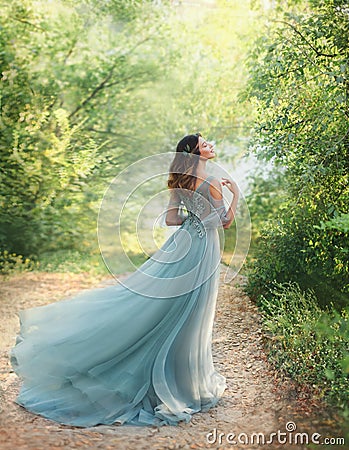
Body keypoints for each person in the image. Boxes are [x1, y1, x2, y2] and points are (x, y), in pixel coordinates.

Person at [10, 133, 240, 428]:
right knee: (192, 312)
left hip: (182, 245)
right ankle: (182, 381)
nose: (210, 143)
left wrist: (193, 221)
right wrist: (232, 193)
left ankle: (158, 373)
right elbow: (225, 222)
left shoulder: (180, 181)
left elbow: (172, 220)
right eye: (204, 142)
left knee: (169, 307)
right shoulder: (212, 183)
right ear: (195, 152)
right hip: (202, 250)